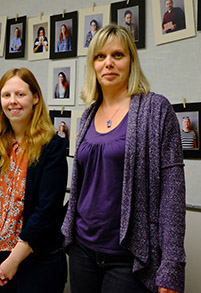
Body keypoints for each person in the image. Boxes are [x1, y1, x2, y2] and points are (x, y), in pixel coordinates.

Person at [61, 24, 186, 293]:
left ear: (131, 61)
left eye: (118, 55)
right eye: (100, 57)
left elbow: (172, 192)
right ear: (92, 64)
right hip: (83, 250)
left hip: (130, 256)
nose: (109, 63)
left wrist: (172, 264)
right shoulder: (87, 115)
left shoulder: (156, 109)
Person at [0, 68, 68, 293]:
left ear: (35, 98)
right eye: (6, 95)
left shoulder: (52, 146)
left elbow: (47, 211)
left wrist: (13, 261)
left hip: (37, 263)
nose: (12, 101)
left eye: (20, 94)